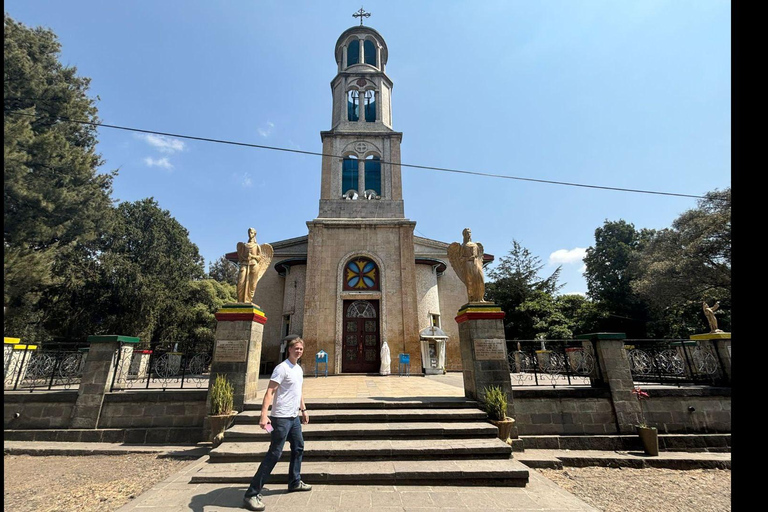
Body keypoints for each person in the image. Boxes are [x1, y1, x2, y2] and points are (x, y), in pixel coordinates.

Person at [243, 336, 311, 511]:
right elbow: (269, 392)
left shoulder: (298, 369)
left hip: (294, 417)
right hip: (280, 418)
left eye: (301, 349)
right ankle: (251, 493)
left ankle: (294, 481)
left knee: (298, 447)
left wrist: (303, 410)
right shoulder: (281, 369)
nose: (298, 351)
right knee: (275, 453)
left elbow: (298, 391)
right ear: (289, 349)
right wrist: (264, 415)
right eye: (296, 348)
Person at [237, 227, 262, 303]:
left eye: (251, 232)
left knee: (252, 284)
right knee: (240, 282)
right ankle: (240, 300)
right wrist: (245, 257)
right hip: (244, 264)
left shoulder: (257, 246)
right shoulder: (245, 245)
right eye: (249, 232)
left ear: (254, 234)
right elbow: (241, 256)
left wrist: (252, 256)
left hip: (254, 265)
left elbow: (259, 257)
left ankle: (248, 300)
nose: (250, 234)